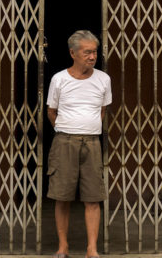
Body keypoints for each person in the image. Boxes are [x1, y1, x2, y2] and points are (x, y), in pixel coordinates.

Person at [46, 30, 112, 258]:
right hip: (64, 141)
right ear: (73, 53)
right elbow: (51, 111)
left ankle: (91, 249)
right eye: (87, 52)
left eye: (94, 52)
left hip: (92, 143)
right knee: (62, 196)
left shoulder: (103, 79)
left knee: (93, 197)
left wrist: (88, 127)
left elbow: (102, 110)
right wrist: (67, 129)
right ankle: (63, 247)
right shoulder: (59, 79)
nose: (92, 56)